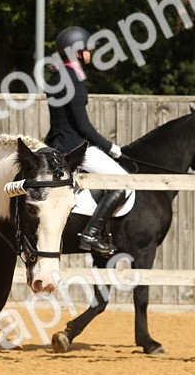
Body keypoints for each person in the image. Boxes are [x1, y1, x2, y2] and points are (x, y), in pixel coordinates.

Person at [44, 25, 131, 256]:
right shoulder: (74, 80)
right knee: (124, 181)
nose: (91, 54)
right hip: (76, 147)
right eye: (88, 50)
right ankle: (91, 233)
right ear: (78, 52)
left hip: (56, 145)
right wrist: (112, 147)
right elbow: (82, 126)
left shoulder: (56, 76)